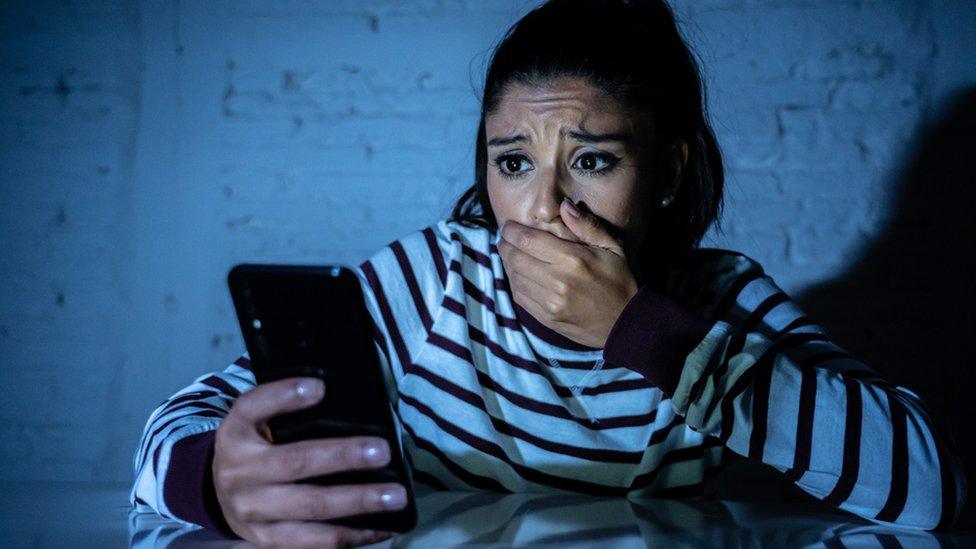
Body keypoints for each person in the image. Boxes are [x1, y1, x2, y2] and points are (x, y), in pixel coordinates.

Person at [129, 0, 967, 546]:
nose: (542, 207)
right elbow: (179, 420)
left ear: (668, 170)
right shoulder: (435, 281)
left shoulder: (714, 300)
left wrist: (642, 333)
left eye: (594, 159)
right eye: (514, 162)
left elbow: (934, 486)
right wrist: (217, 478)